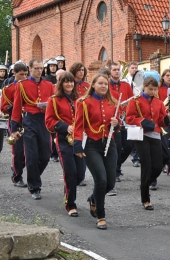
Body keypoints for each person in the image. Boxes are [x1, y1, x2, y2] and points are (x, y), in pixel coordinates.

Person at [73, 73, 119, 230]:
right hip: (92, 145)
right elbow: (78, 125)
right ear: (93, 85)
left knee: (111, 182)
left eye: (105, 84)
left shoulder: (113, 103)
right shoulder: (84, 102)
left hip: (109, 144)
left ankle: (93, 199)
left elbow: (117, 127)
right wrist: (77, 146)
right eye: (100, 83)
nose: (103, 86)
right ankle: (101, 215)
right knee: (101, 179)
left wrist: (117, 123)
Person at [10, 58, 55, 200]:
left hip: (44, 120)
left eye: (41, 68)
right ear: (30, 69)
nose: (39, 71)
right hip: (29, 120)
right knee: (31, 155)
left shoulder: (49, 84)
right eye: (36, 68)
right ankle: (34, 186)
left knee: (46, 154)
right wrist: (15, 128)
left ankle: (33, 177)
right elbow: (17, 107)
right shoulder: (22, 85)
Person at [126, 76, 169, 210]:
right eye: (150, 89)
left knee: (157, 165)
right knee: (146, 164)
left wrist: (167, 119)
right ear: (144, 87)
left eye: (155, 89)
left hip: (155, 134)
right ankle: (146, 199)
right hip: (141, 135)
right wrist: (142, 121)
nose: (152, 92)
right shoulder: (135, 101)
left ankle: (145, 183)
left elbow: (161, 119)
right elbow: (129, 118)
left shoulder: (159, 102)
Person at [46, 71, 84, 217]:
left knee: (79, 175)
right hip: (63, 141)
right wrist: (64, 126)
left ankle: (68, 190)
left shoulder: (79, 100)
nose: (69, 84)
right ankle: (70, 204)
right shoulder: (54, 100)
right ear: (61, 84)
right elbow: (49, 122)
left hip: (78, 141)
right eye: (66, 81)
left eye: (71, 82)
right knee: (70, 173)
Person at [0, 62, 28, 187]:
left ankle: (17, 168)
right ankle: (17, 176)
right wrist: (14, 108)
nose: (24, 77)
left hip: (29, 120)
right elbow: (3, 107)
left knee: (30, 151)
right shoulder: (7, 89)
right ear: (14, 73)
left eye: (26, 74)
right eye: (21, 74)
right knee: (18, 151)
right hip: (15, 121)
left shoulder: (30, 86)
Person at [109, 62, 134, 183]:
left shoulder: (126, 85)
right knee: (117, 146)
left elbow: (131, 101)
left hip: (125, 119)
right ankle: (116, 170)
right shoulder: (106, 85)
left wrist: (127, 107)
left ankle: (117, 165)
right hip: (114, 120)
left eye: (118, 70)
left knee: (129, 146)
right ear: (110, 72)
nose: (117, 72)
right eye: (114, 70)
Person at [69, 62, 89, 187]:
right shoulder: (70, 85)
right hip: (72, 119)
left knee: (83, 147)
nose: (81, 72)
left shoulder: (87, 86)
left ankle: (81, 174)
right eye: (79, 70)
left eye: (83, 70)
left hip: (85, 120)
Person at [122, 62, 141, 167]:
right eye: (132, 68)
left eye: (136, 68)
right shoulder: (125, 81)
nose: (134, 69)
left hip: (138, 107)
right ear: (128, 69)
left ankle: (137, 156)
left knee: (137, 132)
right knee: (131, 133)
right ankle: (134, 156)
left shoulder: (139, 80)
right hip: (127, 108)